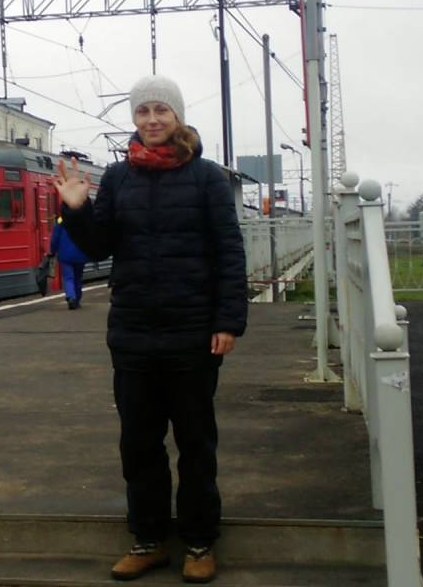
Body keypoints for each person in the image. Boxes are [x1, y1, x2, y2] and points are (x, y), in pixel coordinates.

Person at [54, 75, 247, 583]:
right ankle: (149, 539)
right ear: (135, 121)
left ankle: (201, 541)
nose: (152, 120)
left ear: (178, 116)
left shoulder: (206, 177)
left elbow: (229, 252)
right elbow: (98, 247)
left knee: (196, 441)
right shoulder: (118, 178)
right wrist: (76, 210)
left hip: (193, 331)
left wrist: (229, 321)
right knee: (138, 443)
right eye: (143, 112)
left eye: (162, 110)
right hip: (135, 331)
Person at [48, 216, 88, 309]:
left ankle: (71, 298)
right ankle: (77, 300)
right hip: (80, 254)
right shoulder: (83, 218)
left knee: (68, 277)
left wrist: (53, 250)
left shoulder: (61, 220)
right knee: (78, 278)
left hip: (65, 254)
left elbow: (56, 237)